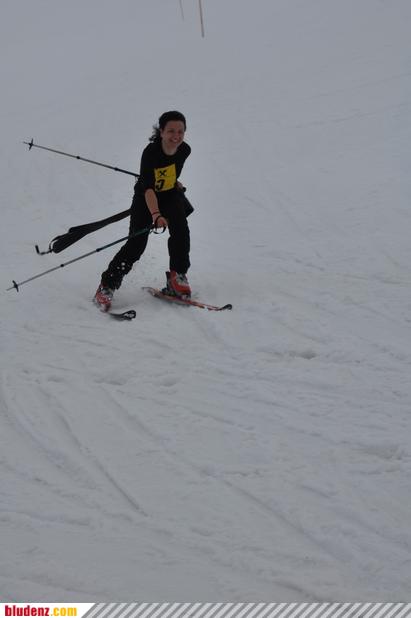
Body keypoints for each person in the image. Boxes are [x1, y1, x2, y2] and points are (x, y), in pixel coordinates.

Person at [94, 110, 192, 311]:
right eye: (171, 131)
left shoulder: (184, 150)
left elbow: (171, 171)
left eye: (180, 131)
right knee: (136, 245)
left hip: (170, 196)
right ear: (161, 131)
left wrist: (175, 182)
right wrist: (156, 215)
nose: (176, 136)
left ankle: (177, 277)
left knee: (181, 231)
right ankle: (107, 285)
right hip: (145, 199)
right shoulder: (151, 153)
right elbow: (148, 188)